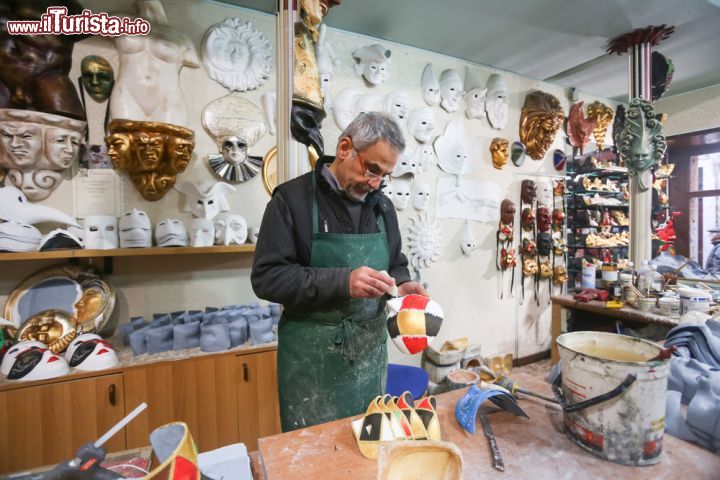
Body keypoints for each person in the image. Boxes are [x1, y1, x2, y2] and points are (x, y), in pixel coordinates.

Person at [251, 112, 427, 432]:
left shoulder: (382, 207)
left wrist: (401, 284)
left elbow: (395, 262)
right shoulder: (291, 200)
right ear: (345, 148)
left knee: (367, 448)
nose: (375, 183)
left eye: (384, 175)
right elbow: (268, 277)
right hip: (311, 360)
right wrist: (343, 282)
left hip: (368, 356)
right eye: (372, 169)